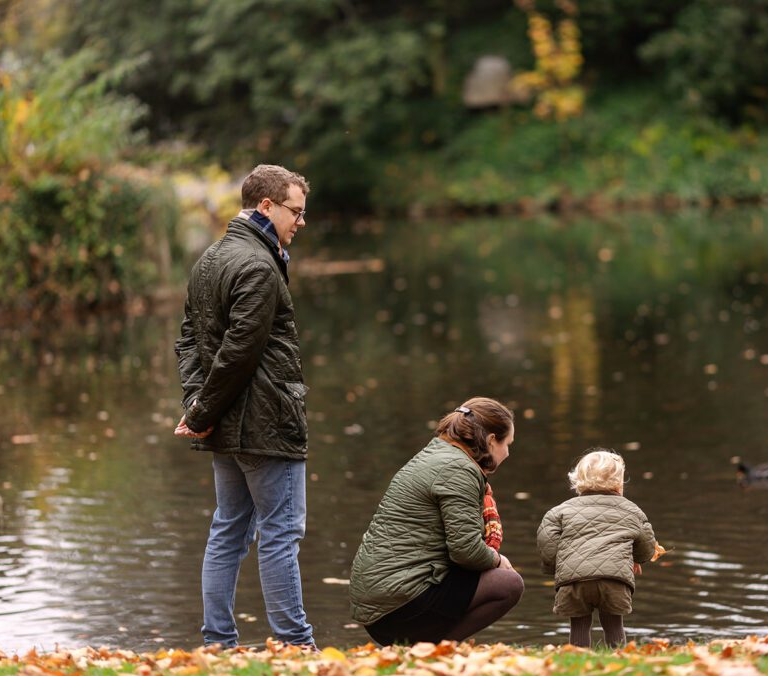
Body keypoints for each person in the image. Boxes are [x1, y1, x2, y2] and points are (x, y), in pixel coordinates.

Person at [173, 163, 316, 650]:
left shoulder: (210, 259)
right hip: (265, 423)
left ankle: (217, 644)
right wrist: (200, 412)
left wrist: (198, 404)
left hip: (229, 424)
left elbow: (188, 342)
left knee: (228, 530)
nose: (300, 221)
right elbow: (239, 353)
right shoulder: (256, 265)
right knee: (280, 534)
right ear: (266, 206)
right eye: (295, 212)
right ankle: (296, 647)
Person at [349, 397, 525, 645]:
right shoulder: (459, 469)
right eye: (508, 443)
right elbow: (466, 551)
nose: (508, 452)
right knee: (508, 584)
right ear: (491, 440)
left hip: (380, 602)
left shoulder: (435, 454)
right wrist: (498, 560)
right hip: (395, 607)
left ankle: (430, 648)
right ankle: (438, 651)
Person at [537, 450, 664, 648]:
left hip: (574, 581)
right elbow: (646, 546)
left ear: (577, 481)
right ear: (619, 484)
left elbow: (547, 544)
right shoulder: (632, 511)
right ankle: (619, 658)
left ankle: (578, 660)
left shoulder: (558, 512)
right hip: (614, 581)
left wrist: (559, 566)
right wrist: (636, 558)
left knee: (579, 624)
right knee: (613, 625)